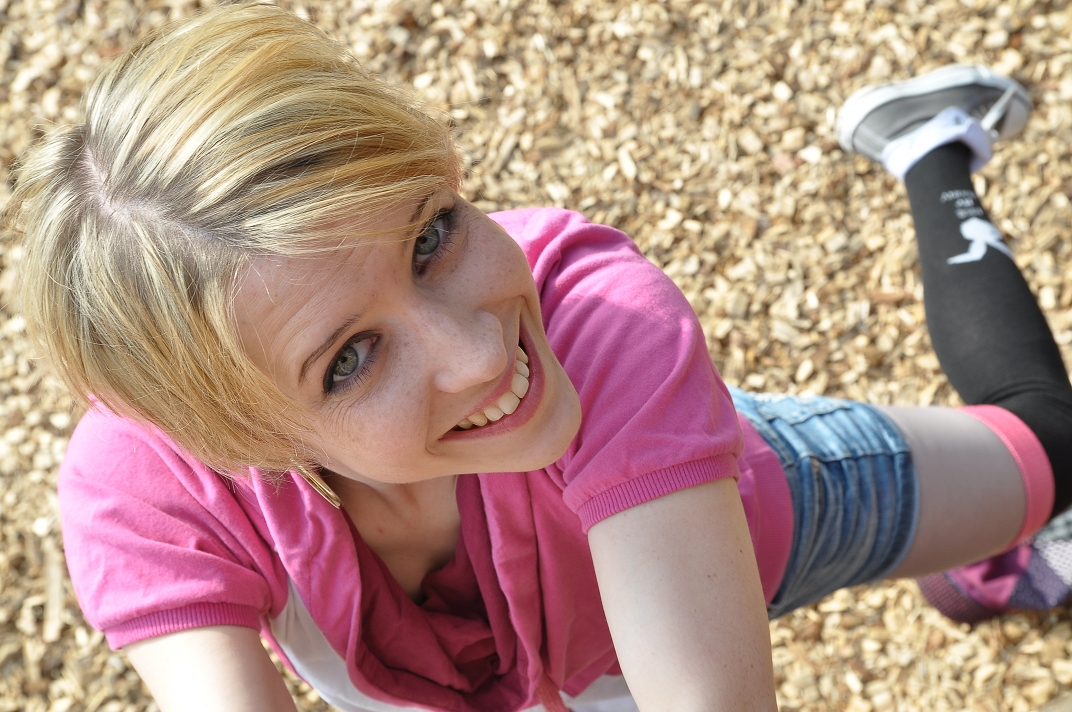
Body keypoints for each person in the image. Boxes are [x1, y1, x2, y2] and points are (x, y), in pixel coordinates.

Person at [7, 5, 1072, 711]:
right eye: (349, 359)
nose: (476, 351)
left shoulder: (603, 327)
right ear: (240, 438)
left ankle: (927, 145)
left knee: (1046, 450)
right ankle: (980, 577)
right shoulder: (148, 484)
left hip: (755, 508)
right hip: (598, 640)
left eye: (431, 236)